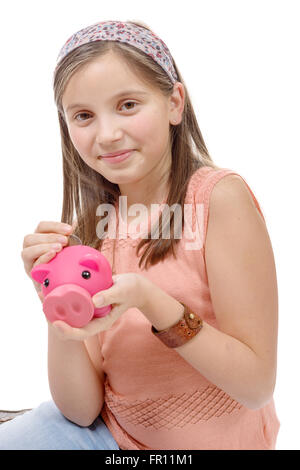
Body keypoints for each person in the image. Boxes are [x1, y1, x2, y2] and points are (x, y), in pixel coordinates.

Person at [0, 19, 280, 450]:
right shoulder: (95, 227)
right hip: (114, 437)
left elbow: (256, 385)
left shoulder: (217, 200)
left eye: (128, 105)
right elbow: (81, 410)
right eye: (84, 116)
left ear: (174, 103)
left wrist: (152, 302)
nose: (107, 134)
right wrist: (53, 298)